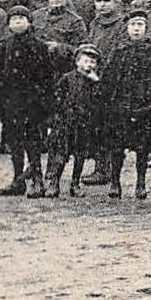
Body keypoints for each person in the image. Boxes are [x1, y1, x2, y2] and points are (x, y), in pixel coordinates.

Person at [0, 4, 53, 198]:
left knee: (33, 141)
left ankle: (37, 179)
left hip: (32, 103)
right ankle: (18, 179)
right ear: (9, 24)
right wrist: (2, 101)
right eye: (14, 19)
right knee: (15, 142)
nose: (18, 22)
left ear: (29, 22)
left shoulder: (39, 46)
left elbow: (46, 77)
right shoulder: (5, 46)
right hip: (11, 102)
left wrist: (42, 102)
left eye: (22, 18)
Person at [102, 7, 151, 199]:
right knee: (117, 147)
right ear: (127, 27)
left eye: (140, 25)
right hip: (120, 107)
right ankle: (115, 182)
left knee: (143, 148)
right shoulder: (119, 50)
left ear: (146, 28)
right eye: (133, 25)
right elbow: (109, 78)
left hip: (143, 106)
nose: (136, 29)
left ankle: (141, 182)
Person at [45, 44, 105, 198]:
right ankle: (54, 183)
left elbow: (100, 100)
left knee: (80, 155)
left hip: (84, 124)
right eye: (86, 61)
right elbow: (57, 99)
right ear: (77, 62)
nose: (89, 65)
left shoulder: (95, 82)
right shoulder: (67, 78)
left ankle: (75, 183)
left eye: (93, 62)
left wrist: (96, 82)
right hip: (66, 123)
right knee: (61, 155)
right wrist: (57, 119)